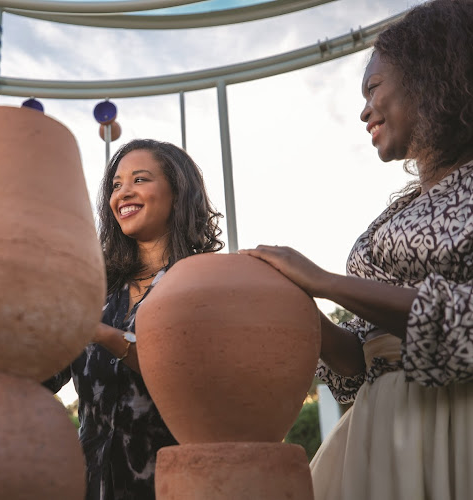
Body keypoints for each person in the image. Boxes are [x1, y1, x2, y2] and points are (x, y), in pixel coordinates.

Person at [240, 1, 473, 498]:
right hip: (380, 433)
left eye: (373, 88)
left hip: (457, 426)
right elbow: (361, 366)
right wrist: (301, 307)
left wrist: (326, 281)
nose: (363, 109)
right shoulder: (392, 215)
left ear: (430, 76)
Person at [46, 139, 223, 499]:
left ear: (178, 191)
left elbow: (197, 380)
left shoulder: (207, 283)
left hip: (175, 487)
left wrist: (106, 336)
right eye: (116, 185)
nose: (123, 193)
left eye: (139, 180)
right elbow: (41, 376)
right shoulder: (95, 292)